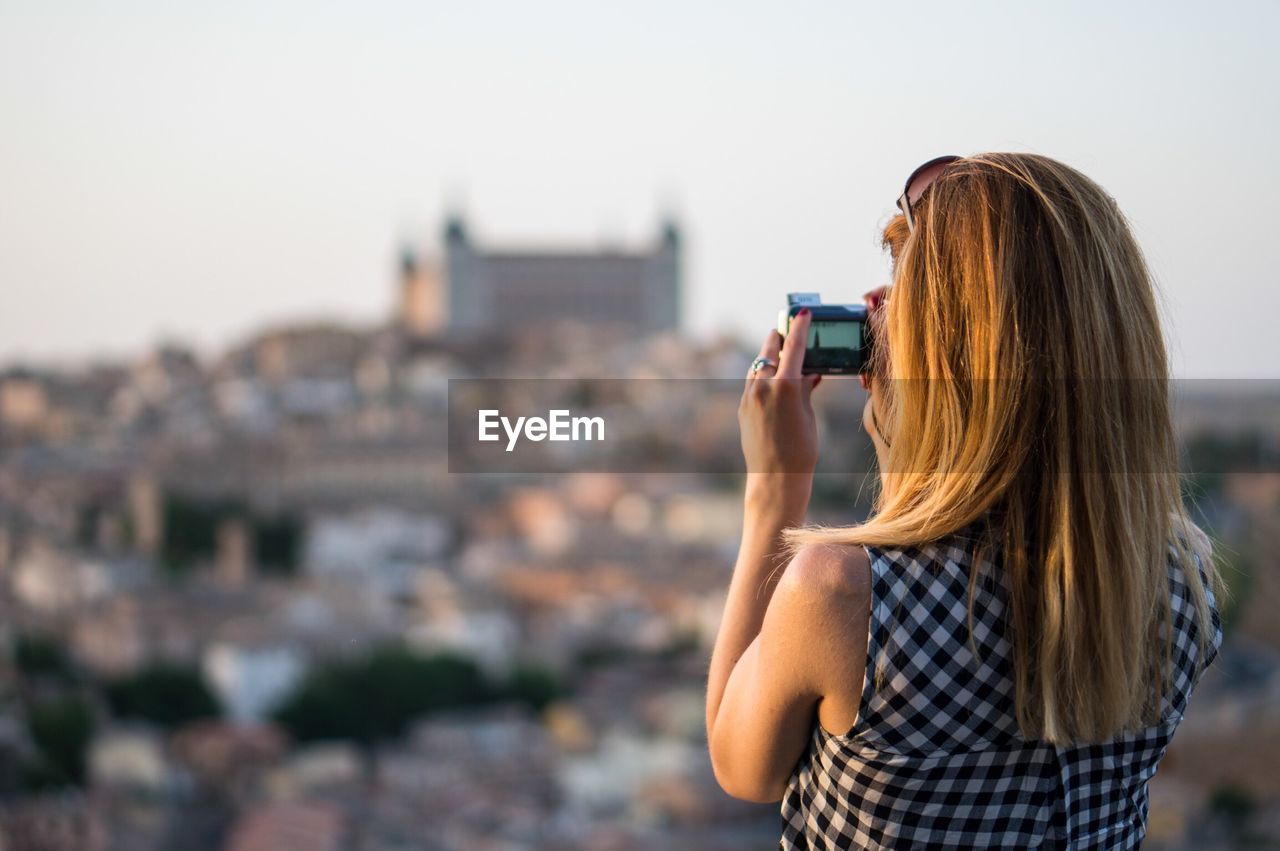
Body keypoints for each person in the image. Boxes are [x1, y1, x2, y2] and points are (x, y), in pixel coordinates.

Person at [704, 153, 1224, 850]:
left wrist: (775, 492)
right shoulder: (1178, 582)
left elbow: (742, 766)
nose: (873, 309)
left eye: (902, 294)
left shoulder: (840, 596)